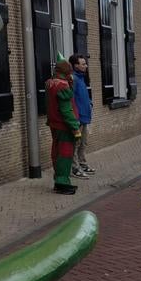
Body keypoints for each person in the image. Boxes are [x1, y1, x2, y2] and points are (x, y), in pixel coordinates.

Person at [45, 58, 81, 195]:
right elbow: (66, 110)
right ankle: (62, 182)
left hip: (54, 124)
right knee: (65, 154)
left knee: (57, 152)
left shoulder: (50, 84)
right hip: (64, 126)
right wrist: (75, 128)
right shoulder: (62, 86)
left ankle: (59, 181)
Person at [69, 54, 94, 177]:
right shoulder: (73, 79)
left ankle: (82, 163)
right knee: (76, 143)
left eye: (85, 63)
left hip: (85, 117)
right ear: (75, 65)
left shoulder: (81, 78)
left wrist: (89, 102)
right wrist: (75, 117)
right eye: (83, 64)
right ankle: (74, 168)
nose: (86, 66)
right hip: (78, 118)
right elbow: (71, 100)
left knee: (84, 143)